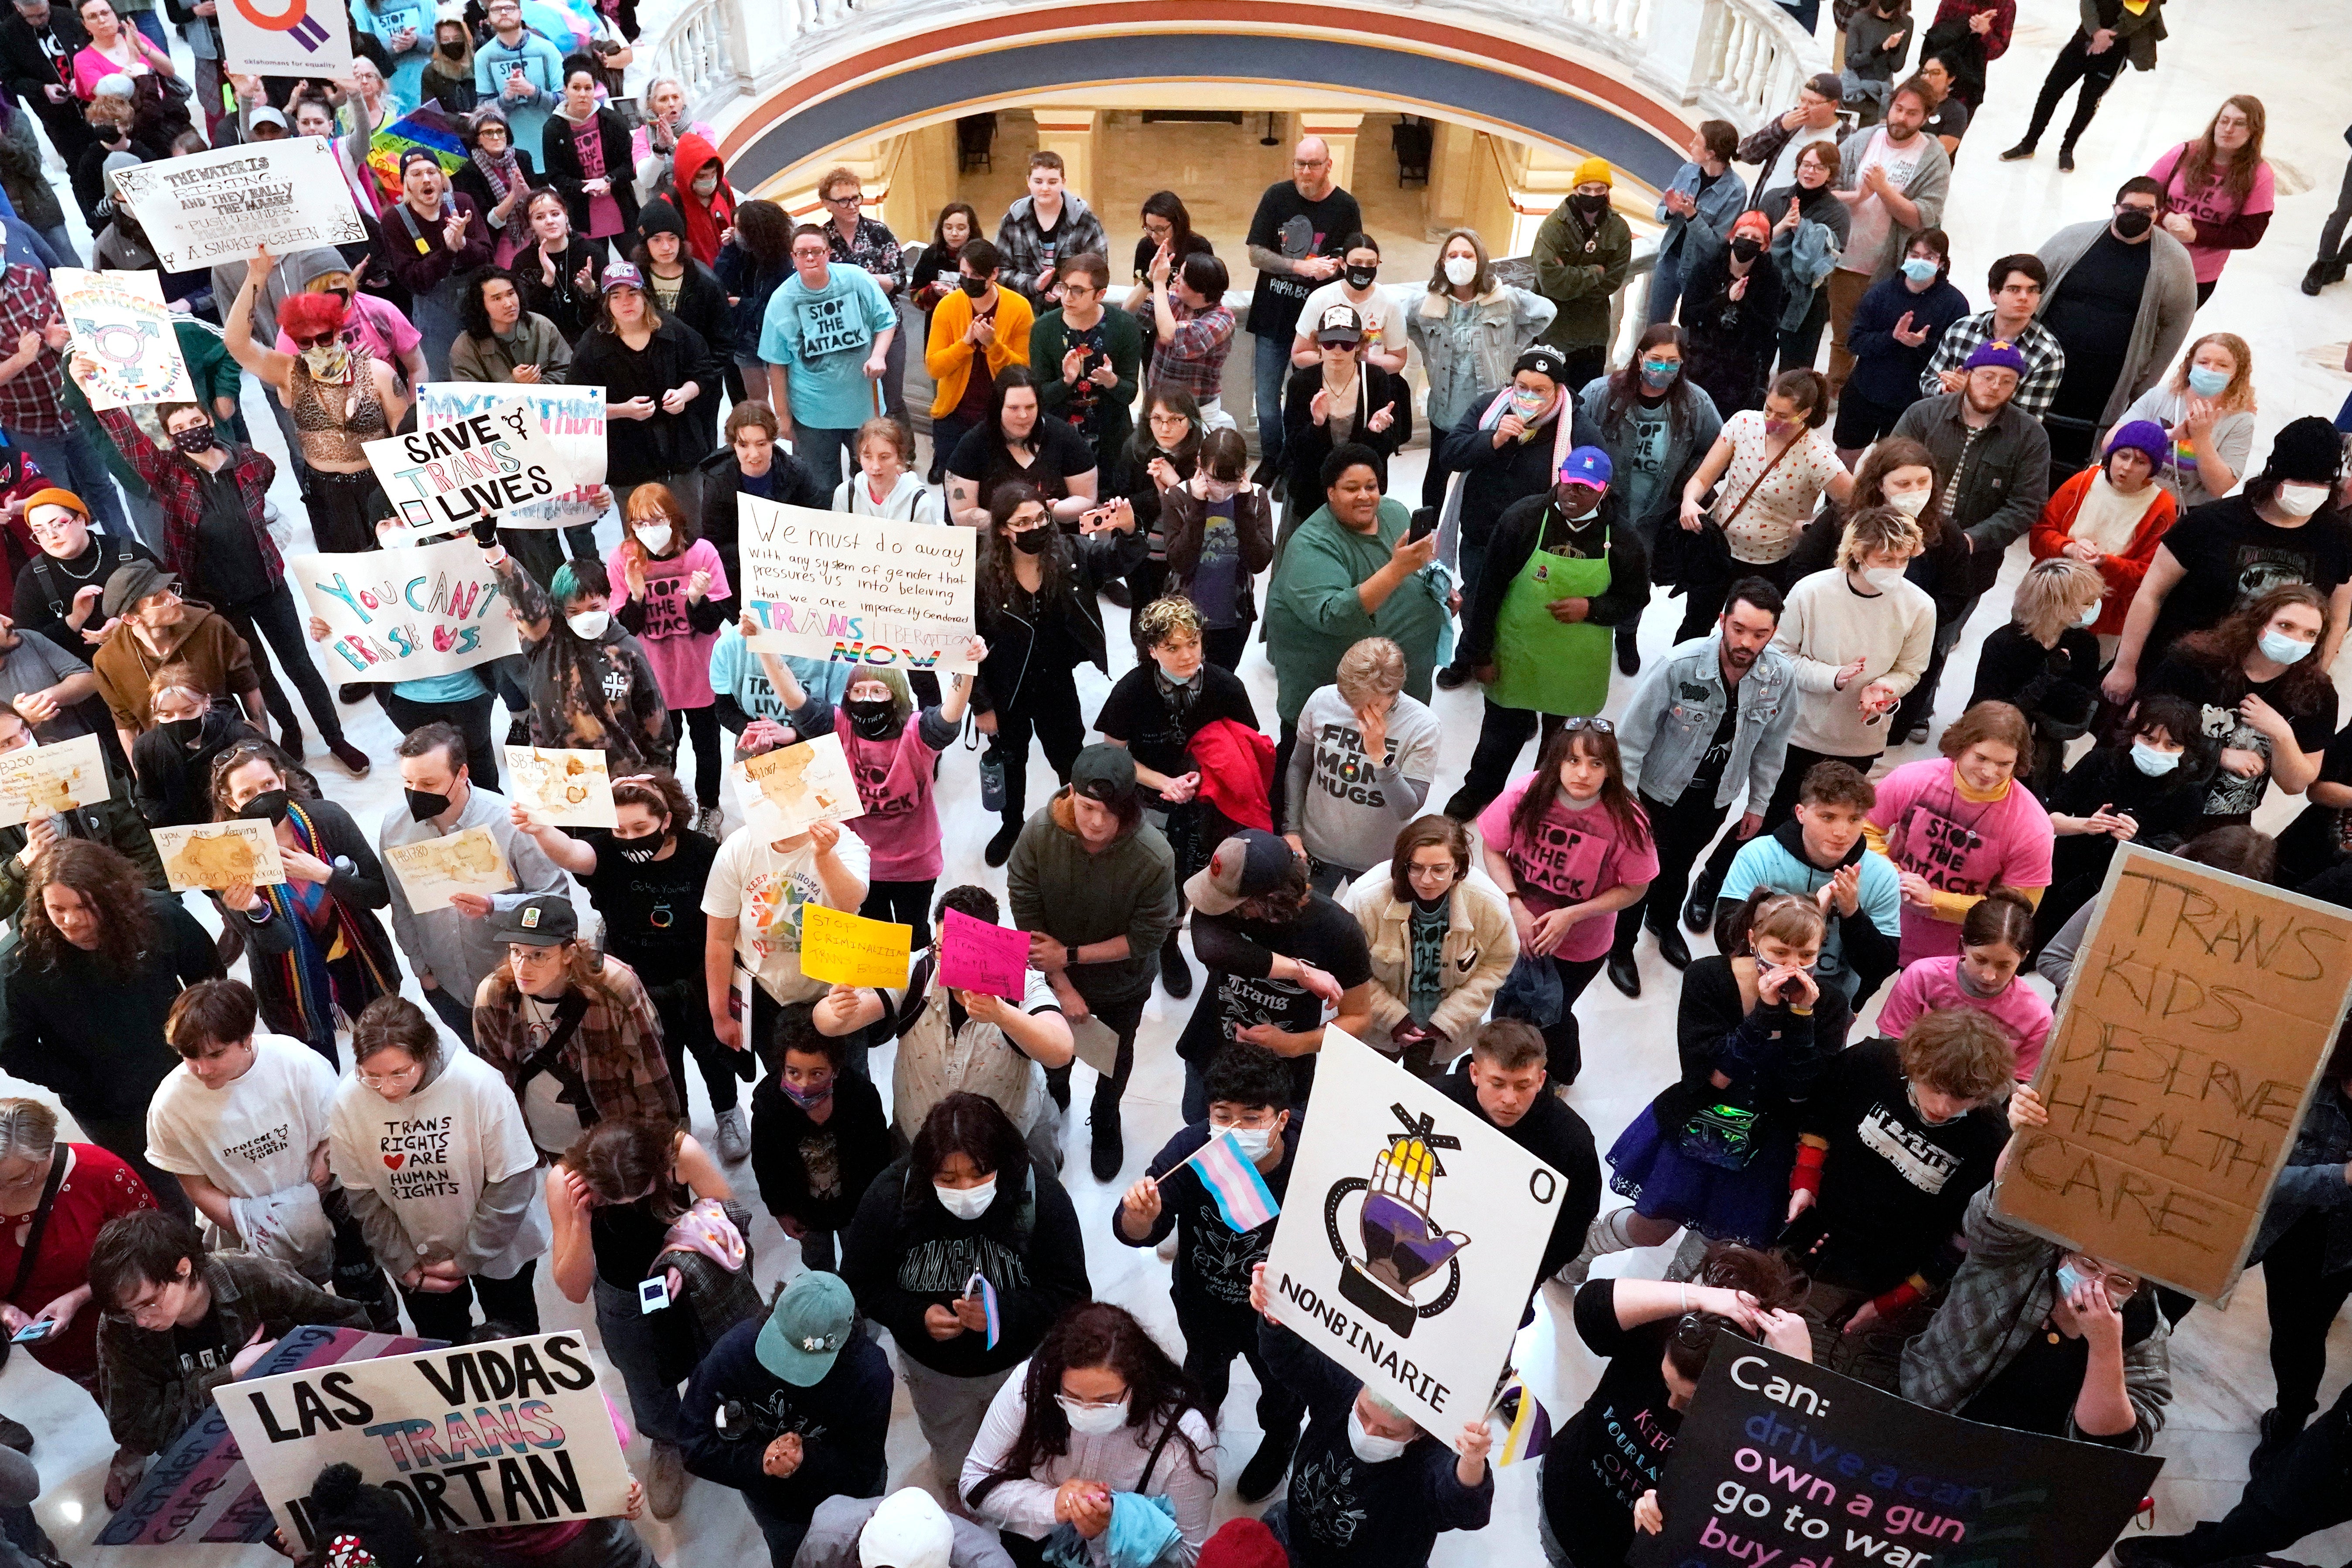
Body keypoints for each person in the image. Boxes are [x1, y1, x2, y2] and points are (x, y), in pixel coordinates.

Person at [83, 398, 368, 776]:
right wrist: (100, 400)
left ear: (209, 421)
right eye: (180, 429)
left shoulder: (249, 461)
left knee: (301, 665)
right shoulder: (169, 472)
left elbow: (266, 475)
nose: (191, 432)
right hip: (217, 597)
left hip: (266, 583)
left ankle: (337, 739)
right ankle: (291, 732)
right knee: (258, 673)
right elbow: (131, 442)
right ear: (170, 437)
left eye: (196, 421)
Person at [840, 1093, 1091, 1494]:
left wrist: (1002, 1313)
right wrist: (914, 1315)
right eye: (948, 1178)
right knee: (952, 1447)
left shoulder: (1040, 1196)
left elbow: (1072, 1293)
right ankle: (961, 1487)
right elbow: (859, 1282)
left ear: (1002, 1164)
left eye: (979, 1174)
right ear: (926, 1172)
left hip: (1019, 1366)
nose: (966, 1189)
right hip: (934, 1373)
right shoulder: (892, 1197)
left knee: (1021, 1445)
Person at [1588, 890, 1848, 1268]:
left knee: (1719, 1242)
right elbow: (1715, 1078)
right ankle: (1587, 1247)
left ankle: (1674, 1304)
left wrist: (1802, 1020)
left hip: (1768, 1140)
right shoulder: (1707, 977)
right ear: (1754, 939)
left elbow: (1802, 1093)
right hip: (1706, 1115)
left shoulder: (1831, 1003)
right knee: (1653, 1225)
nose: (1793, 966)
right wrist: (1764, 1014)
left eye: (1806, 956)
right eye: (1780, 953)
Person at [1900, 1087, 2171, 1447]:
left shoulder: (2143, 1326)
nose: (2097, 1287)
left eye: (2120, 1282)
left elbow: (2120, 1443)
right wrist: (2027, 1135)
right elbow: (2000, 1210)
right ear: (2064, 1251)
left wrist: (2106, 1346)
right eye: (2088, 1264)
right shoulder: (2020, 1254)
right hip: (1933, 1411)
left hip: (2026, 1465)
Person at [512, 769, 743, 1155]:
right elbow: (571, 854)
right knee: (660, 1060)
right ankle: (678, 1122)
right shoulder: (604, 851)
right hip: (637, 985)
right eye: (620, 830)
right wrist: (540, 830)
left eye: (641, 827)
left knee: (713, 1053)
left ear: (665, 819)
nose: (630, 838)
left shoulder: (702, 852)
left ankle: (729, 1115)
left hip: (698, 977)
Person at [1780, 1008, 2014, 1389]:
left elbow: (1960, 1243)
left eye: (1962, 1098)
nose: (1941, 1107)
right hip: (1815, 1220)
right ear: (1914, 1063)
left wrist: (1892, 1303)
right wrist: (1804, 1181)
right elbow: (1820, 1116)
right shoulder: (1871, 1063)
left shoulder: (1989, 1140)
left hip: (1884, 1272)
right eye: (1934, 1087)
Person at [1537, 1248, 1811, 1568]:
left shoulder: (1762, 1411)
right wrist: (1696, 1296)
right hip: (1566, 1499)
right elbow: (1592, 1305)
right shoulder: (1661, 1330)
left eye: (1691, 1403)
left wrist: (1802, 1376)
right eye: (1667, 1385)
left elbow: (1788, 1489)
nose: (1671, 1405)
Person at [1114, 1044, 1301, 1501]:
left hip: (1279, 1315)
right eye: (1224, 1114)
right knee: (1202, 1373)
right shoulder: (1193, 1147)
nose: (1235, 1130)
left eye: (1252, 1117)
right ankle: (1198, 1424)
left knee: (1282, 1390)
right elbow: (1133, 1228)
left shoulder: (1310, 1163)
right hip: (1205, 1299)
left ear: (1281, 1118)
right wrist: (1141, 1213)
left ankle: (1280, 1441)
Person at [146, 977, 393, 1320]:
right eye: (190, 1057)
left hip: (330, 1201)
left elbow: (335, 1133)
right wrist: (256, 1225)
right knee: (289, 1316)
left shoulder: (296, 1063)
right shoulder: (170, 1105)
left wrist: (318, 1180)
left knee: (367, 1293)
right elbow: (195, 1186)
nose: (202, 1070)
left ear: (247, 1039)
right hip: (242, 1223)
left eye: (216, 1055)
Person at [87, 1208, 368, 1508]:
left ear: (183, 1269)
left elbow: (353, 1329)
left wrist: (286, 1359)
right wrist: (228, 1376)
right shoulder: (120, 1324)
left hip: (300, 1429)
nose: (141, 1320)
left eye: (149, 1303)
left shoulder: (253, 1276)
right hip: (220, 1461)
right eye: (130, 1311)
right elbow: (134, 1429)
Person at [1, 835, 216, 1214]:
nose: (71, 921)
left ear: (113, 897)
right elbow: (11, 1048)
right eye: (58, 909)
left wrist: (199, 1045)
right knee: (161, 1197)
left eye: (84, 906)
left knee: (217, 1163)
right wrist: (79, 1081)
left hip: (185, 1075)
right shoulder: (19, 962)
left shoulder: (157, 916)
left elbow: (208, 977)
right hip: (109, 1108)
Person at [1245, 1264, 1494, 1568]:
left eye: (1389, 1433)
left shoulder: (1430, 1459)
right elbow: (1290, 1358)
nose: (1368, 1432)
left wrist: (1471, 1462)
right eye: (1362, 1414)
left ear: (1420, 1433)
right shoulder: (1344, 1387)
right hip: (1296, 1533)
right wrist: (1275, 1315)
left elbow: (1463, 1506)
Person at [330, 995, 547, 1342]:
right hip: (418, 1261)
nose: (386, 1089)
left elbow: (512, 1182)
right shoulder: (348, 1101)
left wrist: (468, 1258)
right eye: (372, 1076)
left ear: (427, 1053)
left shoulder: (478, 1084)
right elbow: (363, 1196)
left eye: (400, 1073)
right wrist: (403, 1264)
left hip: (500, 1247)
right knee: (441, 1348)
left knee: (514, 1341)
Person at [1612, 577, 1797, 984]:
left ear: (1774, 632)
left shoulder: (1779, 678)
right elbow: (1630, 739)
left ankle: (1662, 924)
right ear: (1723, 620)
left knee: (1680, 865)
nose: (1747, 642)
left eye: (1760, 634)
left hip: (1716, 797)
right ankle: (1620, 945)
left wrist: (1758, 804)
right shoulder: (1681, 665)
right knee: (1639, 868)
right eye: (1739, 629)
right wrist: (1626, 801)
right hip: (1656, 792)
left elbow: (1772, 746)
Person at [546, 1116, 733, 1519]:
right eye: (615, 1202)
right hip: (626, 1298)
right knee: (644, 1379)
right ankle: (666, 1441)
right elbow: (574, 1289)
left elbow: (729, 1215)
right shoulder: (565, 1183)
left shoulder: (679, 1152)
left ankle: (716, 1419)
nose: (630, 1205)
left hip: (692, 1279)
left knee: (715, 1358)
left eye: (640, 1195)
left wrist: (690, 1255)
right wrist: (580, 1222)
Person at [1449, 447, 1647, 824]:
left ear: (1604, 491)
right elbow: (1487, 590)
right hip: (1517, 650)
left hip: (1575, 663)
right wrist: (1480, 654)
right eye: (1568, 484)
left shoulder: (1621, 538)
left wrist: (1591, 609)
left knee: (1560, 745)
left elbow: (1636, 597)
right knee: (1498, 736)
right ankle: (1479, 790)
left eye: (1586, 490)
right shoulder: (1523, 519)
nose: (1573, 494)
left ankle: (1537, 803)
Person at [816, 883, 1072, 1172]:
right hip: (921, 1137)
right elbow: (826, 1024)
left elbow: (1061, 1051)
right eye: (940, 949)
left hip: (1009, 1140)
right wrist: (836, 1010)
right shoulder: (918, 970)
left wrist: (1002, 1014)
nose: (947, 961)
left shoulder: (1021, 982)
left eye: (962, 951)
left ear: (991, 945)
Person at [1006, 744, 1175, 1173]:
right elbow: (1027, 914)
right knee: (1053, 1049)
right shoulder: (1039, 835)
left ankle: (1105, 1114)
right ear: (1070, 793)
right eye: (1087, 807)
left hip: (1123, 981)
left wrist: (1072, 954)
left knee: (1115, 1055)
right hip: (1050, 973)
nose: (1098, 822)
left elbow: (1148, 934)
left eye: (1111, 810)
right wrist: (1062, 983)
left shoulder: (1154, 855)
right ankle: (1057, 1090)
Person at [2105, 417, 2352, 700]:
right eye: (2299, 480)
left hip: (2264, 691)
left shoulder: (2338, 538)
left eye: (2320, 483)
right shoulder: (2210, 523)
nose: (2309, 490)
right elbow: (2151, 593)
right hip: (2179, 678)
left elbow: (2338, 614)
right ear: (2274, 474)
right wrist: (2125, 666)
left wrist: (2314, 679)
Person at [1262, 447, 1446, 819]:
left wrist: (1438, 588)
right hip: (1330, 696)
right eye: (1351, 488)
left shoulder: (1394, 514)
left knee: (1375, 778)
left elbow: (1420, 564)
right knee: (1305, 774)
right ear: (1330, 492)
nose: (1365, 497)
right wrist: (1397, 569)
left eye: (1372, 486)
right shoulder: (1312, 545)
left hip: (1393, 693)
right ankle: (1289, 836)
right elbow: (1335, 616)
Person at [1885, 338, 2052, 740]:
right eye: (1987, 376)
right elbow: (1887, 468)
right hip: (1901, 547)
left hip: (1969, 563)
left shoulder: (2030, 438)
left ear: (2016, 388)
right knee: (1883, 624)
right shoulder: (1923, 415)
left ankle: (1916, 711)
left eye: (2006, 381)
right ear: (1968, 375)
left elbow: (2025, 505)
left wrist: (1970, 541)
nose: (1994, 386)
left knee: (1938, 638)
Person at [963, 1300, 1217, 1565]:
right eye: (1071, 1398)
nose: (1085, 1411)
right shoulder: (1032, 1385)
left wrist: (1111, 1527)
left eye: (1105, 1400)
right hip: (1030, 1545)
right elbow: (973, 1484)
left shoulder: (1183, 1436)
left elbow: (1188, 1557)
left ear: (1138, 1384)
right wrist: (1052, 1502)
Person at [764, 634, 979, 945]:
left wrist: (967, 668)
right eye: (859, 691)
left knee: (915, 937)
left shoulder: (917, 732)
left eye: (879, 691)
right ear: (847, 695)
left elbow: (950, 715)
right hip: (858, 863)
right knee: (873, 943)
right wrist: (765, 650)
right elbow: (794, 697)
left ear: (897, 696)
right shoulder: (838, 727)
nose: (868, 699)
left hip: (915, 865)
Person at [1476, 721, 1657, 1081]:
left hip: (1579, 947)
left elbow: (1637, 887)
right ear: (1557, 761)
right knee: (1508, 1006)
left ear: (1611, 769)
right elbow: (1493, 848)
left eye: (1596, 763)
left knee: (1553, 1015)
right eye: (1573, 761)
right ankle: (1507, 1068)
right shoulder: (1526, 793)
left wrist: (1572, 915)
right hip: (1516, 930)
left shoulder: (1627, 820)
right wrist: (1515, 904)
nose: (1583, 774)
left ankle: (1559, 1072)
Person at [967, 482, 1139, 863]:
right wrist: (980, 705)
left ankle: (1075, 820)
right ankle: (1012, 826)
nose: (1036, 527)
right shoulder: (981, 576)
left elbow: (1116, 561)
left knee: (1069, 758)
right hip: (1005, 688)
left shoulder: (1070, 555)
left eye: (1041, 517)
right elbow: (965, 644)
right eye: (1023, 522)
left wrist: (1128, 530)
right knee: (1011, 762)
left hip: (1055, 681)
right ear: (1002, 530)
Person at [200, 740, 399, 1064]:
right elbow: (277, 943)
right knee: (319, 1067)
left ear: (282, 779)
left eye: (268, 784)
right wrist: (254, 909)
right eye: (247, 793)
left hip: (358, 959)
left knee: (386, 1046)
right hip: (289, 986)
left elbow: (379, 894)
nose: (262, 797)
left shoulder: (327, 818)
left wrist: (327, 876)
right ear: (230, 801)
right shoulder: (224, 857)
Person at [1094, 594, 1258, 982]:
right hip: (1150, 799)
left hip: (1209, 803)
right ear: (1152, 650)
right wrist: (1163, 781)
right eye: (1172, 647)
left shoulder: (1226, 687)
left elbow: (1249, 747)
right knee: (1154, 876)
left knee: (1199, 873)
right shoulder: (1131, 691)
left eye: (1193, 643)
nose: (1187, 656)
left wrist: (1207, 775)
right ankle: (1158, 942)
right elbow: (1113, 756)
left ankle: (1180, 937)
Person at [681, 1269, 892, 1568]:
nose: (789, 1372)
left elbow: (863, 1468)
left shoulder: (870, 1375)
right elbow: (693, 1444)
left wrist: (805, 1460)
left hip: (849, 1505)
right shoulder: (736, 1351)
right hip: (778, 1512)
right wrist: (759, 1460)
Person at [382, 721, 568, 1045]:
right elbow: (401, 904)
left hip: (516, 985)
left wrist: (495, 907)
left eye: (429, 783)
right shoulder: (395, 828)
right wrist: (423, 973)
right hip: (446, 988)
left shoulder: (510, 824)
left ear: (462, 774)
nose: (416, 793)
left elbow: (555, 900)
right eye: (408, 782)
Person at [1176, 826, 1374, 1122]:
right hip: (1212, 1050)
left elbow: (1359, 1018)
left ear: (1271, 901)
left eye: (1238, 905)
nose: (1215, 907)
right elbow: (1209, 949)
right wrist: (1300, 972)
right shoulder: (1224, 898)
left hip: (1281, 1075)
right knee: (1197, 1124)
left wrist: (1295, 1045)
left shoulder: (1338, 930)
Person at [225, 249, 409, 557]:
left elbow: (406, 440)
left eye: (324, 338)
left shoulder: (377, 373)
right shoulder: (289, 373)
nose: (316, 347)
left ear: (338, 332)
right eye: (305, 342)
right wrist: (256, 277)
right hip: (326, 493)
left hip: (379, 487)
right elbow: (236, 342)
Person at [1434, 346, 1605, 675]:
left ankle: (1512, 660)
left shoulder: (1578, 428)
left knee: (1521, 604)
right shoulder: (1489, 409)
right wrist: (1492, 440)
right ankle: (1470, 655)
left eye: (1540, 390)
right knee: (1477, 601)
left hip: (1535, 540)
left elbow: (1599, 483)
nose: (1529, 397)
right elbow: (1450, 454)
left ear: (1558, 391)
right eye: (1522, 387)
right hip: (1482, 531)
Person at [1578, 324, 1725, 672]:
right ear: (1640, 357)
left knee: (1636, 579)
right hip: (1603, 509)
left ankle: (1626, 636)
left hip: (1654, 514)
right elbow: (1575, 440)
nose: (1663, 369)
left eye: (1672, 362)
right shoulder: (1602, 394)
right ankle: (1585, 635)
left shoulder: (1696, 404)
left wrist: (1686, 483)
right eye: (1656, 359)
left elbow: (1718, 450)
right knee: (1588, 570)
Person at [702, 768, 872, 1068]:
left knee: (848, 1081)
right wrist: (720, 1015)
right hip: (768, 996)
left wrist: (823, 855)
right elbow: (719, 938)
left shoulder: (843, 842)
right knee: (783, 1080)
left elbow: (851, 901)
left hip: (835, 995)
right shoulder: (738, 848)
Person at [2032, 179, 2200, 479]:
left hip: (2108, 380)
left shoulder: (2174, 261)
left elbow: (2176, 326)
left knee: (2077, 453)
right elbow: (2031, 284)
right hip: (2046, 367)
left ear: (2159, 214)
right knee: (2029, 437)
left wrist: (2145, 382)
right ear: (2115, 207)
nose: (2136, 215)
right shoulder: (2073, 238)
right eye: (2129, 208)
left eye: (2146, 210)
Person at [1865, 700, 2055, 963]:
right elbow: (1863, 830)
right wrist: (1893, 876)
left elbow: (2018, 909)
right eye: (1981, 758)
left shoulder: (2032, 826)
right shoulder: (1912, 779)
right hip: (1881, 925)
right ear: (1961, 747)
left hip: (1957, 956)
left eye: (2004, 764)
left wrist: (1936, 901)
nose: (1990, 773)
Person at [1671, 367, 1850, 641]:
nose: (1771, 420)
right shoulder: (1743, 424)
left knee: (1751, 637)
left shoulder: (1817, 456)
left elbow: (1856, 503)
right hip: (1718, 548)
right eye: (1768, 409)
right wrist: (1689, 500)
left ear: (1805, 414)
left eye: (1782, 416)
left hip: (1769, 563)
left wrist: (1811, 526)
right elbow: (1703, 477)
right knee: (1695, 624)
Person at [2140, 583, 2336, 830]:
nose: (2296, 640)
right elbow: (2139, 721)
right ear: (2260, 622)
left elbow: (2295, 785)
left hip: (2225, 821)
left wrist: (2281, 733)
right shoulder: (2197, 660)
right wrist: (2217, 754)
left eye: (2310, 634)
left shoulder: (2318, 693)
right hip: (2154, 799)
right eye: (2286, 626)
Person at [1714, 760, 1902, 1006]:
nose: (1842, 832)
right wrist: (1812, 909)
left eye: (1854, 820)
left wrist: (1853, 915)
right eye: (1828, 817)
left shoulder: (1882, 875)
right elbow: (1727, 938)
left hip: (1829, 1000)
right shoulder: (1759, 856)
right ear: (1801, 814)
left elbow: (1880, 968)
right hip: (1754, 989)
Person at [0, 1098, 153, 1390]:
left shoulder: (102, 1174)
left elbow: (152, 1251)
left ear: (44, 1153)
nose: (4, 1190)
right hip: (61, 1353)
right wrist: (5, 1311)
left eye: (17, 1178)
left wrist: (79, 1297)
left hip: (139, 1332)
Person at [2035, 693, 2210, 941]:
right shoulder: (2100, 762)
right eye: (2149, 739)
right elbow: (2047, 818)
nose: (2158, 751)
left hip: (2122, 893)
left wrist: (2135, 842)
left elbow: (2178, 858)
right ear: (2133, 736)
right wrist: (2085, 825)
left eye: (2171, 745)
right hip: (2064, 875)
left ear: (2186, 750)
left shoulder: (2189, 793)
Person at [1441, 1019, 1602, 1288]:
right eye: (1498, 1083)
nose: (1509, 1099)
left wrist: (1523, 1279)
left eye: (1522, 1086)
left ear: (1541, 1079)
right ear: (1475, 1073)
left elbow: (1571, 1231)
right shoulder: (1434, 1102)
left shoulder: (1574, 1143)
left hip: (1507, 1279)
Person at [610, 485, 731, 826]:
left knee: (708, 747)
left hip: (701, 673)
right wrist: (636, 594)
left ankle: (710, 808)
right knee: (662, 752)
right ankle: (669, 812)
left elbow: (712, 624)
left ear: (675, 519)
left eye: (657, 520)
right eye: (640, 523)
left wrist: (696, 599)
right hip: (654, 679)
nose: (650, 530)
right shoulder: (625, 559)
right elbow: (626, 630)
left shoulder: (703, 553)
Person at [1242, 138, 1362, 482]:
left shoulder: (1345, 207)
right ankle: (1271, 458)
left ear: (1328, 165)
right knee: (1266, 398)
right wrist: (1300, 268)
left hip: (1318, 328)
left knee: (1307, 399)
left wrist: (1337, 264)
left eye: (1313, 164)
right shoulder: (1277, 196)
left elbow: (1352, 257)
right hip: (1273, 317)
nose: (1305, 171)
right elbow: (1255, 253)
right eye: (1299, 164)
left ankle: (1296, 464)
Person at [1409, 228, 1555, 508]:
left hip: (1489, 406)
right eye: (1452, 255)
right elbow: (1405, 323)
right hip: (1446, 405)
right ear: (1442, 262)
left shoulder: (1505, 299)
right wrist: (1427, 352)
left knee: (1486, 472)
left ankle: (1475, 532)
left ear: (1480, 261)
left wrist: (1512, 347)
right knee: (1439, 470)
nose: (1459, 261)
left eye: (1467, 255)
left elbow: (1546, 312)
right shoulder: (1427, 303)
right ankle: (1428, 536)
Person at [1824, 80, 1952, 399]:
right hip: (1849, 256)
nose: (1902, 119)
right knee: (1843, 334)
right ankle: (1837, 386)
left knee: (1884, 334)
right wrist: (1856, 196)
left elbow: (1924, 217)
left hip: (1895, 267)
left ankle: (1865, 388)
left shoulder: (1933, 157)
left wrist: (1883, 190)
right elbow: (1827, 190)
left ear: (1925, 118)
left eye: (1912, 114)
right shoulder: (1863, 140)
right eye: (1898, 109)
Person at [1283, 636, 1436, 894]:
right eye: (1350, 701)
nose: (1357, 712)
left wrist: (1380, 757)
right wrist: (1292, 829)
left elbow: (1407, 807)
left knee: (1367, 932)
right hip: (1315, 848)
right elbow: (1299, 765)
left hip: (1378, 861)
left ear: (1395, 691)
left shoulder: (1423, 725)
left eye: (1372, 705)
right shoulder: (1323, 700)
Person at [749, 1002, 891, 1269]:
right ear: (782, 1068)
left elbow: (878, 1157)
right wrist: (779, 1210)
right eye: (793, 1073)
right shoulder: (769, 1106)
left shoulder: (861, 1098)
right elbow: (765, 1164)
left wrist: (875, 1207)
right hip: (806, 1215)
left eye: (817, 1074)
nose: (804, 1085)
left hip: (855, 1208)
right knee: (817, 1262)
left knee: (860, 1260)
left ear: (835, 1070)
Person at [498, 554, 670, 772]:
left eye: (594, 607)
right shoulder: (545, 641)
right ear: (560, 611)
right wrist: (496, 555)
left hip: (618, 772)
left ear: (608, 598)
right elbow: (522, 593)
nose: (586, 616)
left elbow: (653, 714)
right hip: (559, 769)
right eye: (574, 611)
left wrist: (660, 772)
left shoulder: (628, 650)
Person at [570, 263, 719, 511]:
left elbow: (705, 373)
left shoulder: (672, 329)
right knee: (641, 534)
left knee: (690, 527)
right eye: (616, 296)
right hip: (629, 460)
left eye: (632, 294)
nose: (625, 303)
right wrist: (622, 410)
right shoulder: (592, 346)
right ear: (606, 303)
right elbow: (577, 407)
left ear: (645, 296)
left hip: (681, 452)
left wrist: (684, 394)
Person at [762, 224, 897, 494]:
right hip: (813, 414)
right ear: (793, 258)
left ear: (829, 253)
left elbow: (886, 321)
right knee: (822, 489)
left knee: (874, 482)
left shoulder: (856, 280)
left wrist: (879, 355)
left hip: (863, 408)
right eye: (802, 253)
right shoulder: (781, 301)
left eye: (816, 251)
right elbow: (776, 364)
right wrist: (783, 416)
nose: (810, 258)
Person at [2028, 418, 2178, 651]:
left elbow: (2149, 575)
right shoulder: (2083, 481)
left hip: (2104, 614)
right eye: (2123, 456)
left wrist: (2106, 563)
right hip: (2050, 597)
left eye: (2140, 462)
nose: (2127, 468)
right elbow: (2040, 534)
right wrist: (2069, 548)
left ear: (2153, 469)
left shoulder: (2162, 508)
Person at [1875, 886, 2049, 1070]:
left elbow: (2017, 1085)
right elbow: (1890, 1048)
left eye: (2004, 965)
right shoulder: (1922, 977)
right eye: (1980, 960)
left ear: (2024, 957)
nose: (1989, 976)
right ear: (1963, 944)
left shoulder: (2037, 1018)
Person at [1966, 556, 2105, 786]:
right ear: (2059, 605)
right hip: (1993, 747)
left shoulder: (2085, 645)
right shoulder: (2002, 644)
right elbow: (1990, 714)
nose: (2095, 607)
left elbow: (2078, 708)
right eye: (2088, 602)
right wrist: (2046, 680)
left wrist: (2034, 698)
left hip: (2045, 747)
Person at [1833, 227, 1966, 461]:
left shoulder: (1955, 304)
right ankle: (1836, 500)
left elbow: (1954, 361)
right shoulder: (1880, 293)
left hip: (1912, 402)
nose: (1920, 262)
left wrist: (1921, 345)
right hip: (1866, 390)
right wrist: (1892, 338)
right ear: (1905, 256)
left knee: (1893, 464)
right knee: (1845, 456)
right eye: (1914, 255)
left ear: (1942, 263)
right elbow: (1855, 342)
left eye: (1930, 257)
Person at [1280, 304, 1411, 540]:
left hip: (1360, 494)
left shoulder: (1376, 379)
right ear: (1319, 344)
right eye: (1330, 343)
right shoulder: (1301, 383)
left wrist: (1376, 432)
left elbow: (1386, 448)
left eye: (1347, 343)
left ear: (1359, 345)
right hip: (1312, 491)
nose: (1338, 351)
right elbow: (1294, 450)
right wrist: (1317, 426)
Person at [1997, 0, 2168, 173]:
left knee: (2089, 101)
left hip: (2115, 52)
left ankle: (2067, 149)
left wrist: (2111, 36)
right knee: (2051, 90)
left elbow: (2142, 15)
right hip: (2083, 40)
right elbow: (2088, 3)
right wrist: (2096, 32)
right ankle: (2029, 143)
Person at [1155, 427, 1272, 669]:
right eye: (1213, 478)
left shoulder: (1256, 497)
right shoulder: (1178, 496)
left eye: (1231, 481)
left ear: (1245, 472)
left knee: (1223, 678)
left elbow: (1259, 562)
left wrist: (1241, 505)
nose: (1221, 488)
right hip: (1185, 617)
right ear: (1199, 464)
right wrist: (1198, 506)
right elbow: (1180, 562)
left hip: (1234, 615)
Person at [371, 150, 493, 381]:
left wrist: (462, 243)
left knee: (491, 367)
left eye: (431, 172)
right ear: (406, 184)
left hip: (476, 295)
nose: (426, 179)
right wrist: (447, 251)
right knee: (444, 377)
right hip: (434, 306)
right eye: (416, 174)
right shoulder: (394, 220)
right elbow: (412, 280)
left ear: (441, 178)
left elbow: (487, 257)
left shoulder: (462, 202)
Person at [2146, 98, 2273, 307]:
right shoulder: (2185, 153)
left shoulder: (2260, 176)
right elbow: (2142, 193)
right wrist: (2167, 217)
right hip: (2148, 257)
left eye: (2239, 124)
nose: (2228, 129)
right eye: (2224, 121)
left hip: (2195, 276)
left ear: (2254, 132)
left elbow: (2249, 235)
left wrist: (2196, 234)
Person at [1028, 252, 1140, 489]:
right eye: (1063, 287)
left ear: (1100, 295)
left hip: (1111, 434)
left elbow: (1130, 393)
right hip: (1060, 435)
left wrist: (1111, 381)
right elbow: (1039, 397)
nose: (1067, 297)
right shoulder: (1044, 328)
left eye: (1078, 290)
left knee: (1111, 504)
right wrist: (1066, 381)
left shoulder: (1125, 326)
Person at [926, 238, 1035, 476]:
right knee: (954, 489)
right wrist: (965, 344)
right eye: (963, 273)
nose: (968, 281)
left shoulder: (1019, 308)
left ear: (994, 274)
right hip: (955, 416)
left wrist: (993, 346)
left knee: (1002, 488)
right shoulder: (948, 307)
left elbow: (1024, 372)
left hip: (1002, 420)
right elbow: (934, 367)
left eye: (975, 275)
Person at [2116, 333, 2257, 513]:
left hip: (2185, 511)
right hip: (2134, 498)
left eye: (2222, 365)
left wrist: (2202, 436)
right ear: (2191, 364)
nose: (2211, 370)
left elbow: (2219, 487)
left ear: (2236, 373)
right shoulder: (2160, 396)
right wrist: (2168, 436)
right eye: (2204, 362)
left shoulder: (2240, 420)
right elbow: (2110, 443)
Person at [946, 371, 1103, 531]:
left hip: (1056, 540)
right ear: (998, 408)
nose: (1023, 416)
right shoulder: (974, 444)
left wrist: (1044, 513)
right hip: (996, 543)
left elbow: (1087, 499)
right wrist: (1010, 519)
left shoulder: (1064, 437)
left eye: (1030, 407)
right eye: (1013, 408)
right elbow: (961, 513)